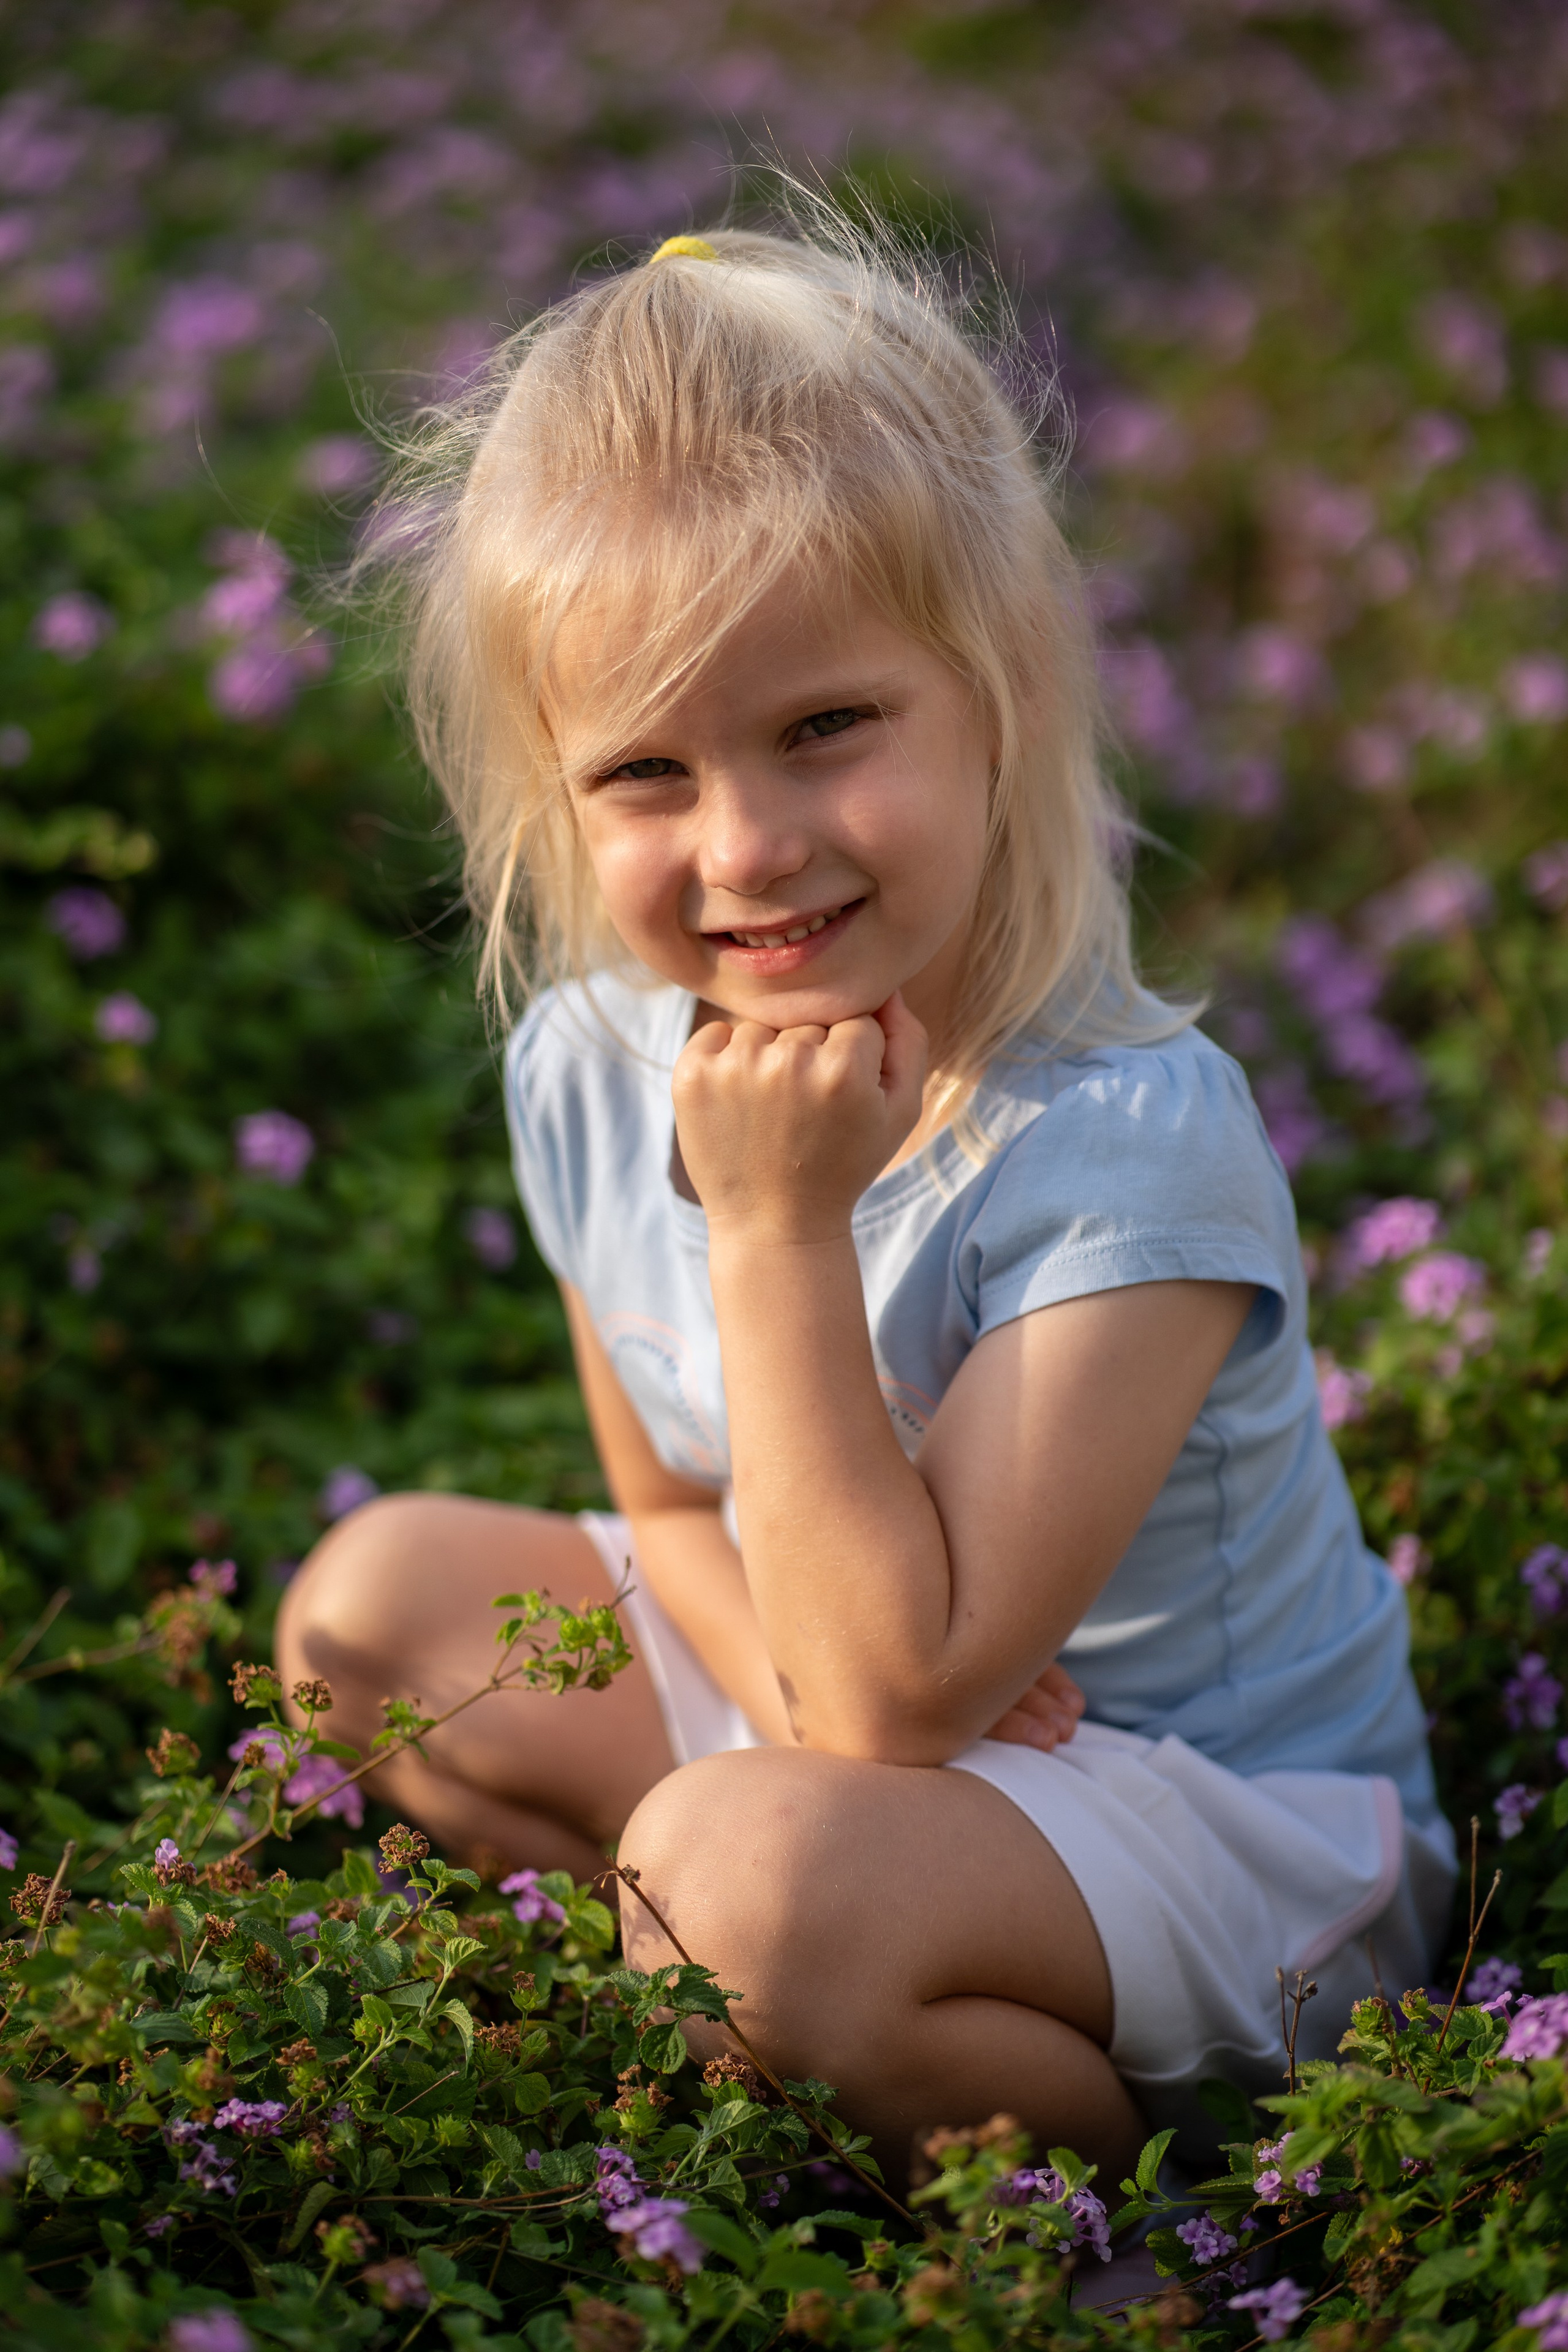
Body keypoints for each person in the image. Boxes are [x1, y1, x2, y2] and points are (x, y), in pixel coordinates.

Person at [278, 213, 1453, 2185]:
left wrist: (773, 1227)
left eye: (827, 727)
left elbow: (894, 1693)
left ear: (994, 693)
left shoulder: (1125, 1140)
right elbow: (668, 1504)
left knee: (739, 1882)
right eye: (645, 769)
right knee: (370, 1612)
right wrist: (850, 1703)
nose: (746, 845)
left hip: (1230, 1844)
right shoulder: (588, 1063)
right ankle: (795, 2001)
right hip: (874, 1734)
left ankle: (1115, 2212)